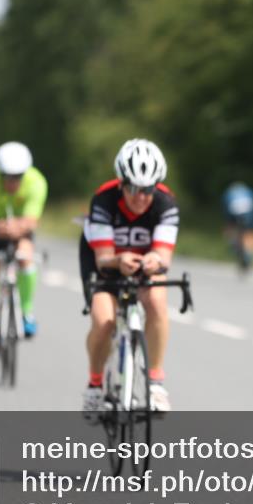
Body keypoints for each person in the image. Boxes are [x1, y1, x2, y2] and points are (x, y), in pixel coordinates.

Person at [79, 139, 179, 416]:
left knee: (158, 302)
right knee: (104, 322)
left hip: (142, 267)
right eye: (134, 188)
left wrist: (153, 260)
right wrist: (118, 260)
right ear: (121, 183)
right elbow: (103, 258)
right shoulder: (104, 200)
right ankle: (95, 384)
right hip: (105, 263)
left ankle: (156, 382)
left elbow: (163, 255)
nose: (141, 196)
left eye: (148, 189)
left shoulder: (166, 202)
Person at [0, 142, 48, 348]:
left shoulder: (37, 182)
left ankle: (26, 312)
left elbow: (32, 222)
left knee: (25, 256)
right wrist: (10, 226)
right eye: (6, 176)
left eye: (17, 177)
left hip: (18, 228)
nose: (12, 182)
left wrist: (16, 227)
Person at [222, 181, 253, 272]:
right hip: (249, 216)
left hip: (234, 216)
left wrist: (228, 223)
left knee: (231, 231)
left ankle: (236, 247)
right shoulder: (249, 192)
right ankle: (250, 253)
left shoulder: (228, 194)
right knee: (251, 233)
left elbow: (225, 210)